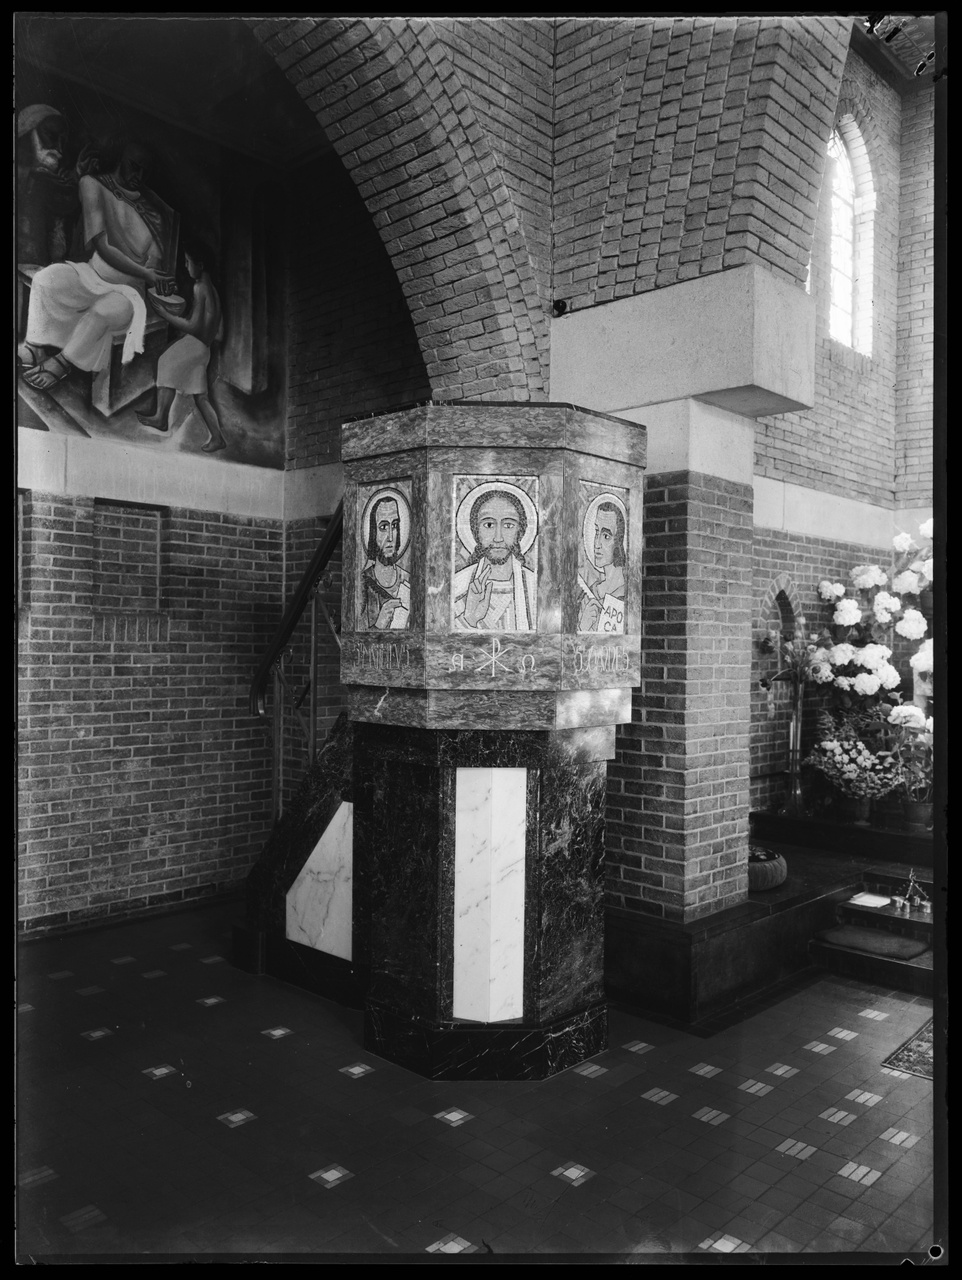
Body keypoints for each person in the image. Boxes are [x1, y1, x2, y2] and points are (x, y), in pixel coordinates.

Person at [19, 139, 176, 391]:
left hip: (127, 291)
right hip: (90, 275)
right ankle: (35, 347)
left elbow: (155, 261)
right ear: (121, 162)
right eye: (134, 167)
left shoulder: (154, 213)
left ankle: (62, 362)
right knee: (46, 279)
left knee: (102, 312)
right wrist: (146, 272)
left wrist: (155, 277)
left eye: (146, 171)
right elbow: (102, 246)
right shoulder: (92, 184)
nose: (139, 176)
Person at [137, 244, 227, 453]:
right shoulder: (213, 291)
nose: (186, 267)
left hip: (195, 344)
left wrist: (165, 314)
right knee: (201, 395)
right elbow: (220, 332)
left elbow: (194, 326)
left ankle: (161, 416)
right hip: (204, 349)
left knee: (165, 362)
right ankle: (217, 437)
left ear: (200, 265)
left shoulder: (199, 288)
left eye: (188, 262)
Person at [453, 489, 536, 631]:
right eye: (489, 525)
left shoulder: (534, 589)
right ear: (475, 530)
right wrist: (470, 619)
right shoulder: (457, 587)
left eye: (508, 525)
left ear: (520, 531)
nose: (498, 538)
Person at [360, 495, 411, 629]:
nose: (390, 537)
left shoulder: (408, 580)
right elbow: (354, 639)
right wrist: (379, 625)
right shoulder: (363, 583)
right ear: (372, 532)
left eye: (394, 525)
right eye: (383, 527)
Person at [578, 500, 627, 633]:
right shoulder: (590, 595)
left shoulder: (628, 592)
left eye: (606, 536)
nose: (597, 543)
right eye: (596, 532)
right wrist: (584, 626)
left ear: (619, 540)